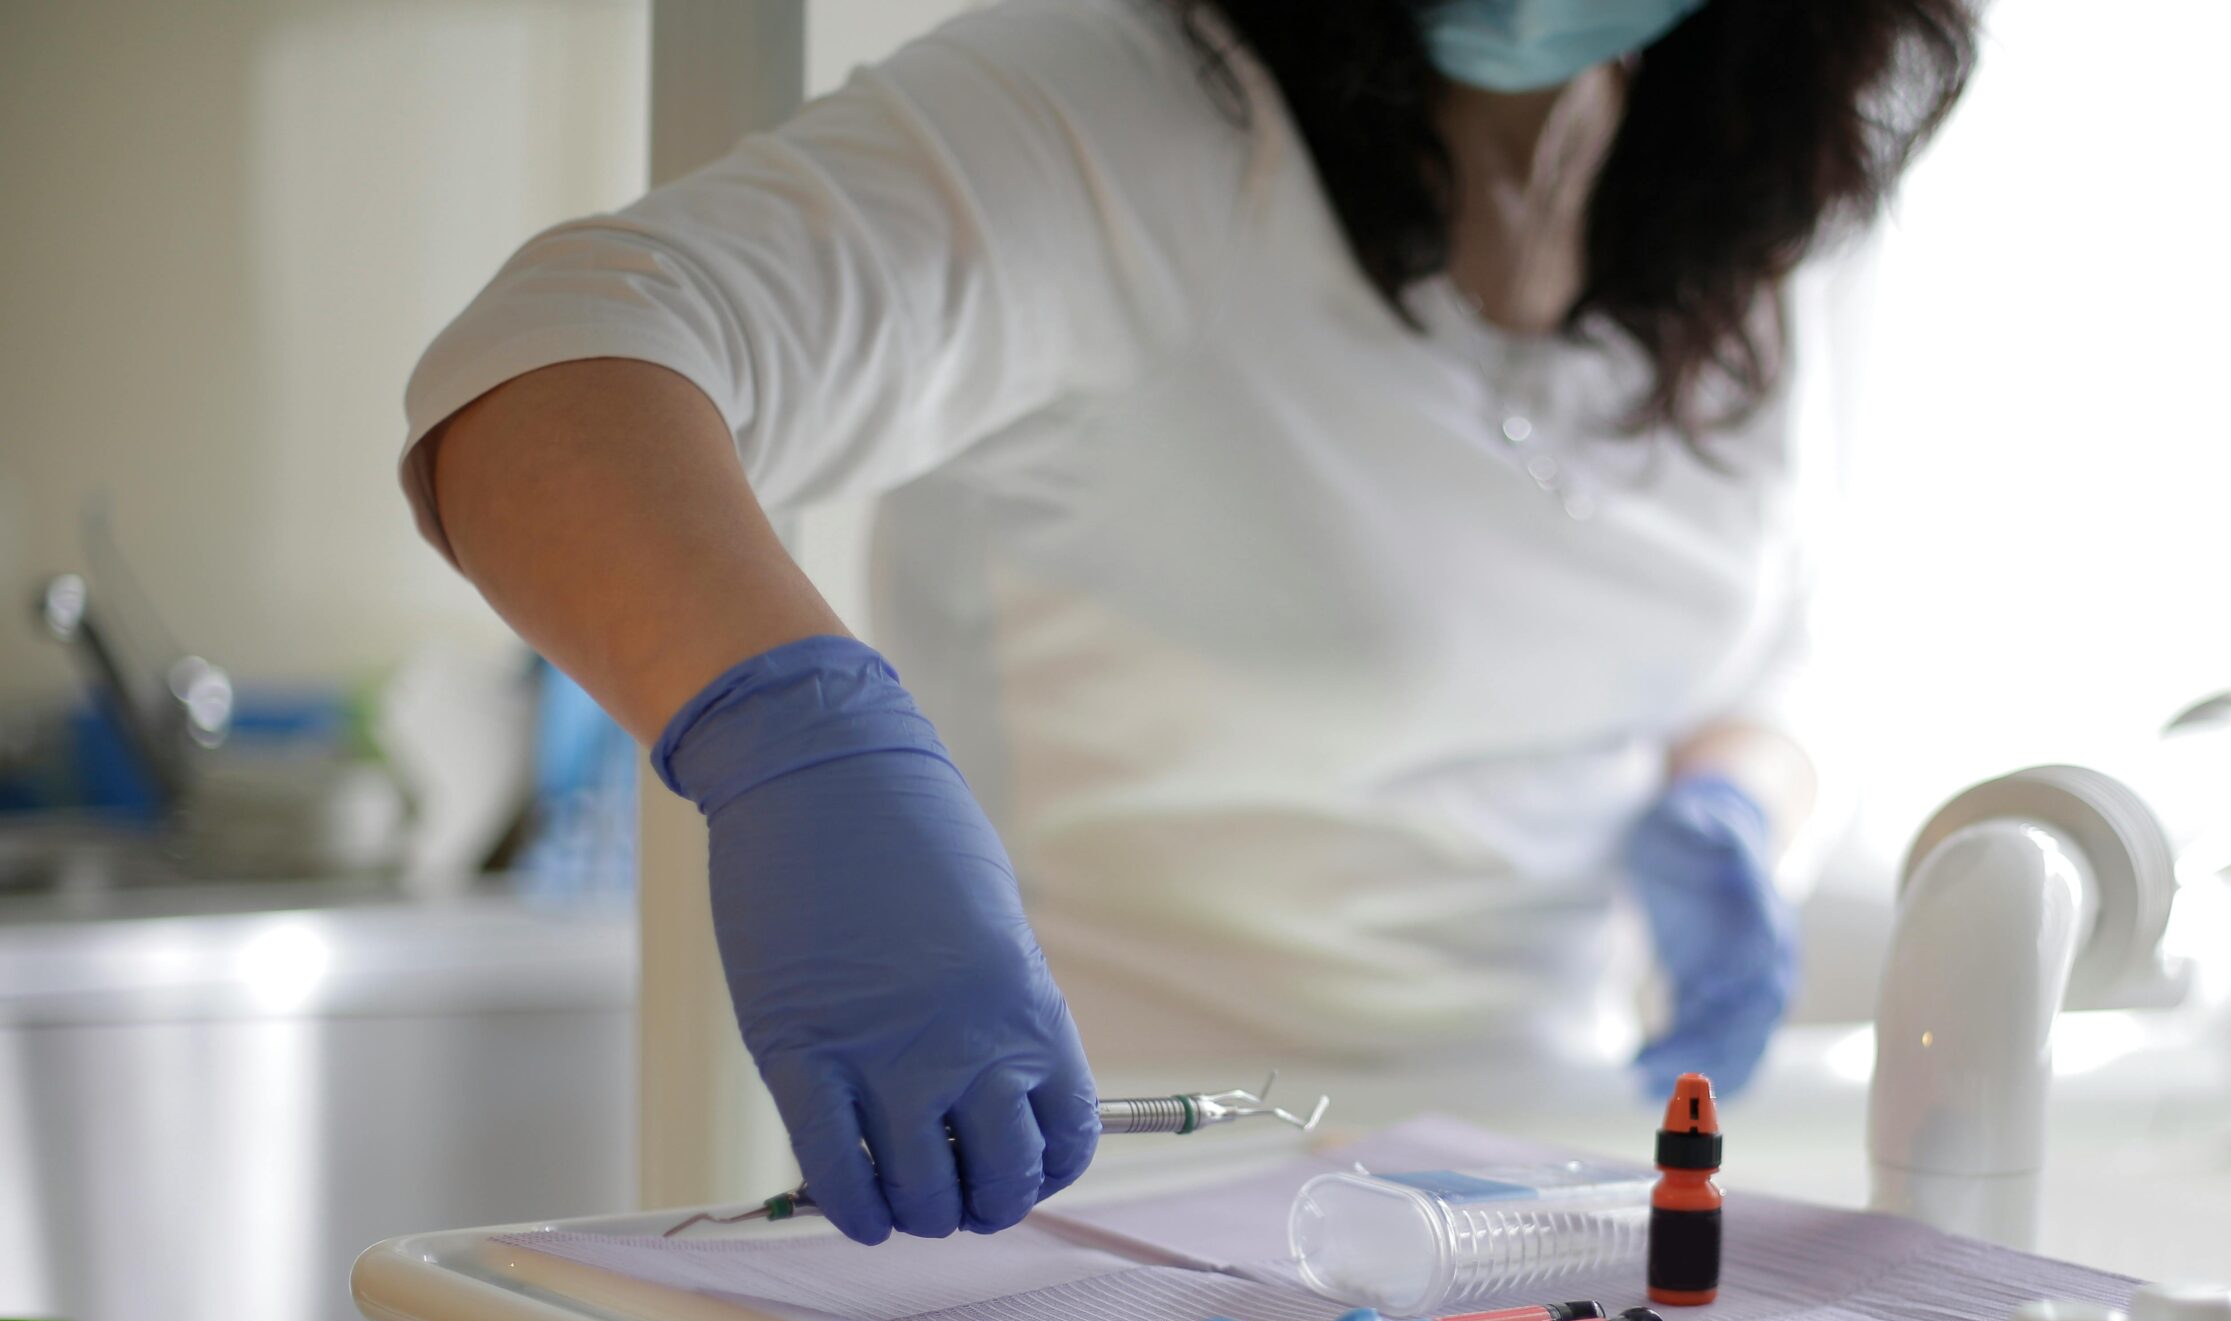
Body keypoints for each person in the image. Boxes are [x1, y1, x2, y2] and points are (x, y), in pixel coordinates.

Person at [401, 0, 1978, 1245]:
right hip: (1090, 1222)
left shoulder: (1762, 202)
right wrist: (801, 744)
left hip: (1542, 1226)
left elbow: (1766, 649)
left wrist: (1734, 800)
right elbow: (549, 370)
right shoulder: (1125, 109)